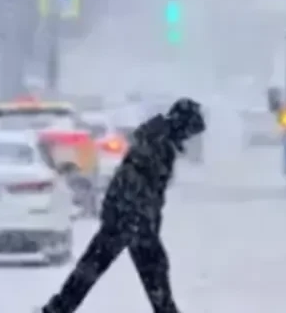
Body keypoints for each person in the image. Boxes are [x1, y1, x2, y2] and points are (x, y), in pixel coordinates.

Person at [40, 97, 206, 313]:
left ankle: (58, 309)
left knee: (94, 268)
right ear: (181, 124)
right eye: (190, 132)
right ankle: (58, 309)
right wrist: (142, 225)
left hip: (127, 216)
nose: (188, 138)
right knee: (151, 271)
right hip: (131, 218)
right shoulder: (157, 145)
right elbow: (142, 188)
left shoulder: (156, 138)